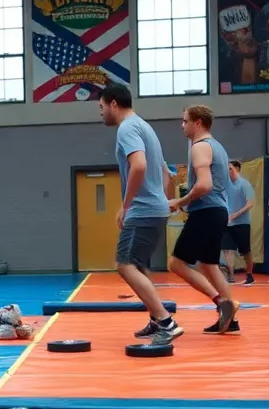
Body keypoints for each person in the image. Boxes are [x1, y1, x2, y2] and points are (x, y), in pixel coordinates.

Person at [97, 83, 181, 342]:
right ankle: (156, 320)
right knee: (139, 265)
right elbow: (165, 171)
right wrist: (163, 199)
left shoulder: (127, 128)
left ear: (113, 104)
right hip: (154, 208)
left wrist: (126, 205)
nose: (100, 112)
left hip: (143, 210)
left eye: (101, 107)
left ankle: (166, 322)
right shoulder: (145, 127)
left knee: (125, 265)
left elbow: (140, 165)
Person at [168, 106, 239, 336]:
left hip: (207, 211)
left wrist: (180, 201)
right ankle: (230, 318)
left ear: (198, 122)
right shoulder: (217, 147)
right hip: (217, 212)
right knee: (208, 265)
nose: (182, 125)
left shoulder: (199, 147)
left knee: (176, 264)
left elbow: (205, 185)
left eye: (185, 121)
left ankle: (222, 303)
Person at [221, 160, 255, 284]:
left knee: (245, 251)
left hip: (242, 223)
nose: (228, 171)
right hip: (227, 223)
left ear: (238, 169)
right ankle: (230, 275)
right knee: (227, 249)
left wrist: (236, 214)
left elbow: (250, 203)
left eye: (231, 168)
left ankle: (249, 274)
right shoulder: (225, 185)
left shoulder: (244, 184)